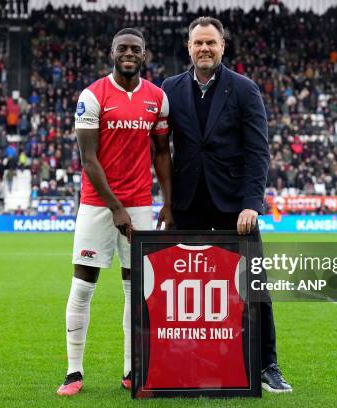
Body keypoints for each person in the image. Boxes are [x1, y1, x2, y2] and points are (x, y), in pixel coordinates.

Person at [161, 16, 292, 393]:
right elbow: (160, 149)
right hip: (187, 205)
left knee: (254, 287)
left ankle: (267, 363)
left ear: (222, 47)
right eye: (198, 43)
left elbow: (258, 152)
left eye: (211, 43)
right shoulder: (169, 89)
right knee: (184, 289)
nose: (204, 48)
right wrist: (167, 203)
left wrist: (252, 204)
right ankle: (183, 360)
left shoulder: (245, 89)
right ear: (188, 47)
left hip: (235, 208)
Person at [57, 28, 173, 396]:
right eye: (122, 48)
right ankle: (74, 372)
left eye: (135, 49)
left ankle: (131, 369)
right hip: (97, 205)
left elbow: (161, 153)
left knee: (134, 288)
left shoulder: (158, 98)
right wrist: (116, 208)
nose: (129, 53)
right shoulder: (92, 96)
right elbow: (88, 160)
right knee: (82, 286)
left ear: (144, 54)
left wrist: (167, 201)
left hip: (140, 204)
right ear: (112, 52)